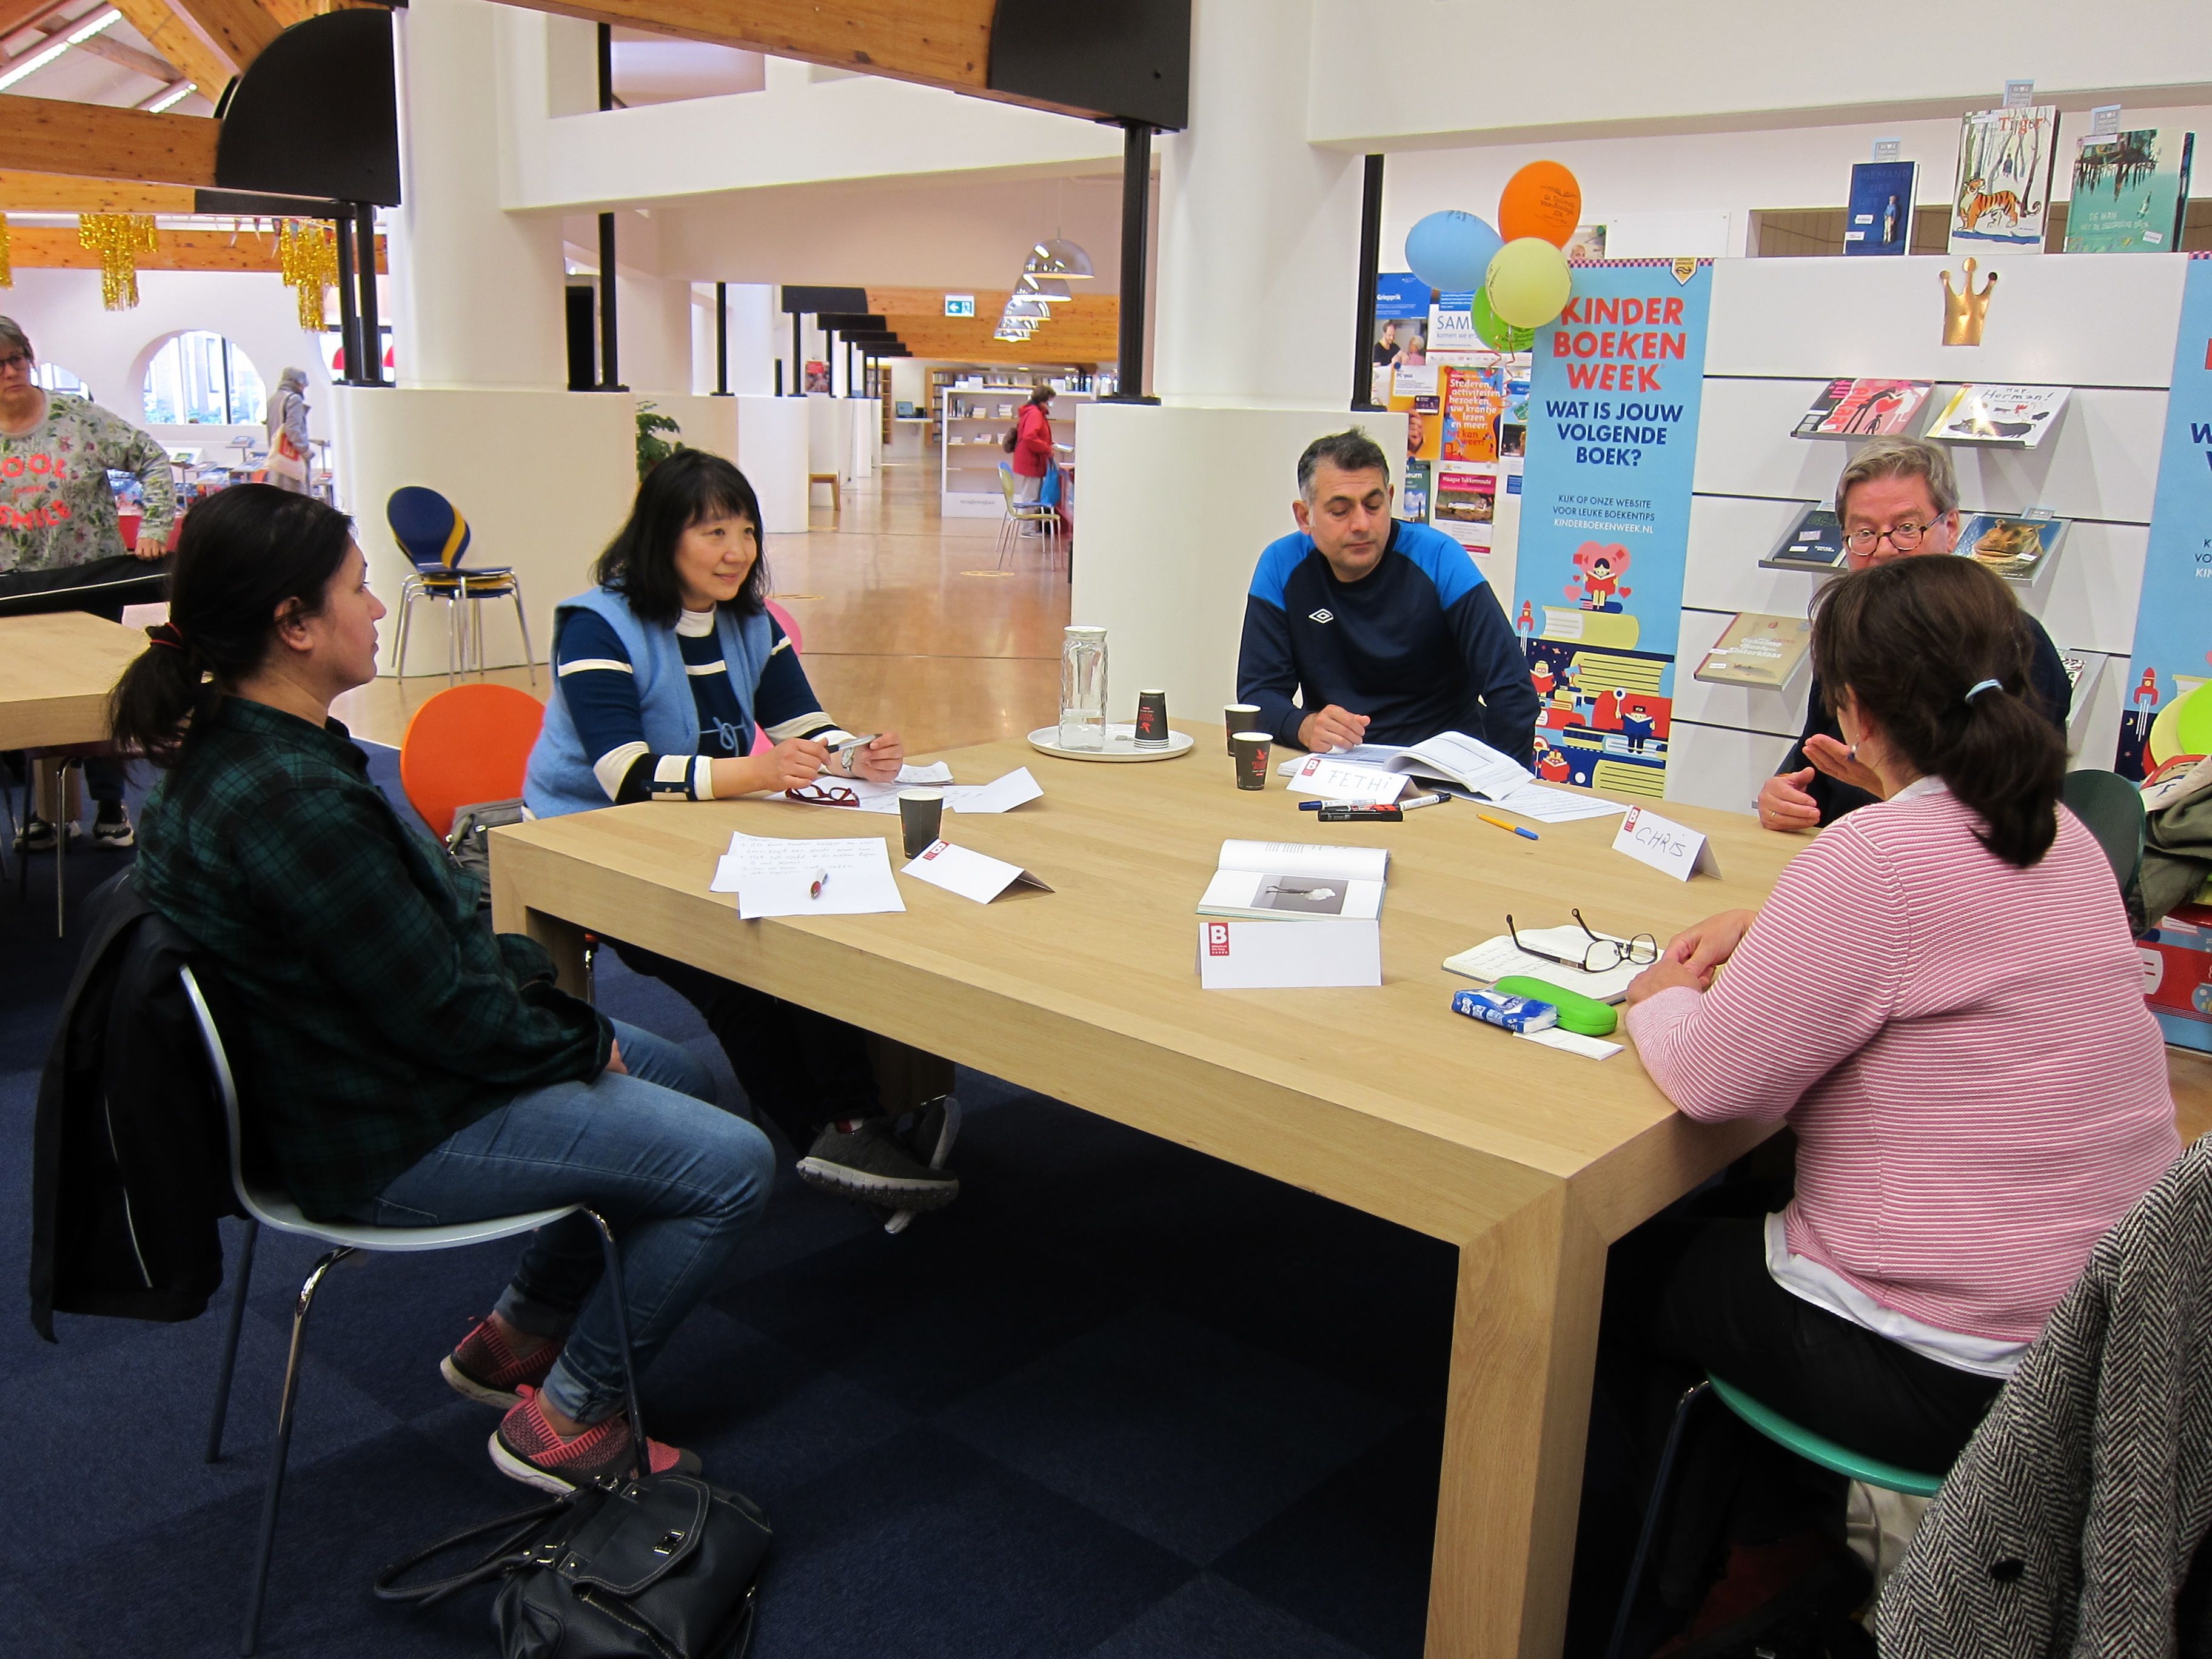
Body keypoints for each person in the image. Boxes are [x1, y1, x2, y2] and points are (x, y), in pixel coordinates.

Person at [118, 484, 775, 1493]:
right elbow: (440, 1014)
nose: (379, 608)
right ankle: (569, 1416)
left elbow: (427, 959)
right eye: (357, 589)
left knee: (677, 1072)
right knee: (733, 1164)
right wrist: (571, 1041)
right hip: (378, 1124)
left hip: (356, 1073)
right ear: (293, 627)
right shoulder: (292, 799)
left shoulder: (258, 752)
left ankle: (520, 1330)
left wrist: (553, 1020)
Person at [1578, 554, 2179, 1654]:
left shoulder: (1874, 855)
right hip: (2112, 1334)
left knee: (1615, 1272)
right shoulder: (2059, 834)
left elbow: (1715, 1078)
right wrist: (1773, 923)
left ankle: (1727, 1562)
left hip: (1954, 1370)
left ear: (1850, 710)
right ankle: (1766, 1532)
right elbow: (1942, 935)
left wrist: (1652, 999)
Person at [525, 449, 959, 1212]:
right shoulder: (596, 625)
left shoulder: (750, 623)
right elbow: (623, 775)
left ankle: (858, 1123)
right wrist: (755, 775)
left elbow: (807, 726)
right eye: (714, 532)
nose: (737, 553)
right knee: (739, 978)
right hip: (591, 841)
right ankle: (826, 1137)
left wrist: (860, 754)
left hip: (705, 830)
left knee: (815, 934)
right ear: (663, 538)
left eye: (747, 531)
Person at [1758, 435, 2071, 833]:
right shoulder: (1846, 634)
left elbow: (2016, 813)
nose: (1885, 550)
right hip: (1849, 859)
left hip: (1957, 876)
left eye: (1906, 528)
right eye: (1865, 533)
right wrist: (1784, 795)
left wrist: (1888, 788)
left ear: (1951, 527)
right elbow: (1813, 764)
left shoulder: (2009, 641)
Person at [1237, 428, 1538, 762]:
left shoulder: (1438, 557)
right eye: (1340, 511)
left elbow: (1512, 692)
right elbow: (1257, 695)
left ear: (1391, 498)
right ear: (1305, 516)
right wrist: (1302, 725)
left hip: (1442, 770)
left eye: (1374, 505)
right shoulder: (1281, 564)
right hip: (1338, 766)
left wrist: (1504, 786)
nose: (1362, 524)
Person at [1, 315, 175, 850]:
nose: (10, 372)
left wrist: (155, 525)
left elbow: (152, 459)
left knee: (101, 693)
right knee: (24, 700)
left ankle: (110, 805)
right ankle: (42, 812)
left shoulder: (77, 418)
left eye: (16, 360)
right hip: (14, 590)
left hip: (89, 584)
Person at [1010, 386, 1056, 531]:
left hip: (1029, 459)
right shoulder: (1035, 414)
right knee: (1030, 496)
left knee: (1030, 493)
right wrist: (1046, 448)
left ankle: (1029, 527)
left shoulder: (1031, 412)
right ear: (1044, 399)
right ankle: (1028, 529)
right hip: (1032, 460)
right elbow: (1030, 437)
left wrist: (1047, 443)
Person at [263, 366, 312, 494]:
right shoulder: (294, 399)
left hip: (278, 459)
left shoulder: (274, 399)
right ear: (299, 382)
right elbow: (293, 430)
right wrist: (306, 451)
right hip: (291, 460)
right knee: (296, 499)